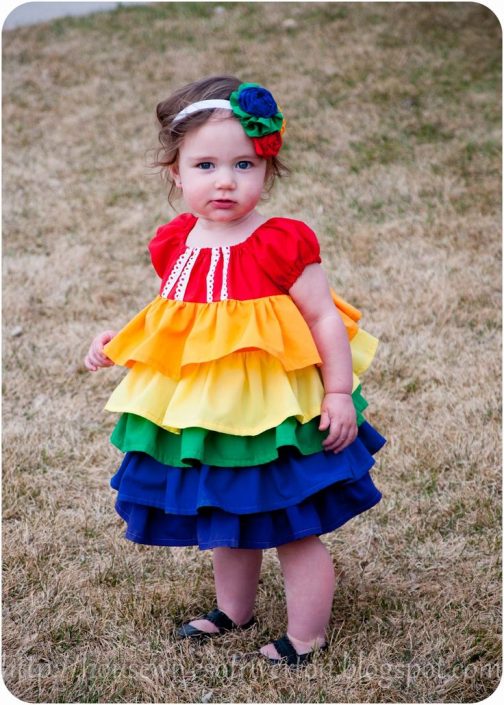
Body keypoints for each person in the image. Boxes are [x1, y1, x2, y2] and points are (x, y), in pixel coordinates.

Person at [84, 75, 386, 668]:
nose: (225, 180)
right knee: (224, 515)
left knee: (292, 524)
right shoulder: (174, 242)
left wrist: (337, 392)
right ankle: (234, 610)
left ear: (268, 169)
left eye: (244, 164)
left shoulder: (283, 242)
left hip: (276, 416)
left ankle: (306, 635)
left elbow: (324, 318)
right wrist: (117, 343)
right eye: (205, 165)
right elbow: (172, 318)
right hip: (208, 415)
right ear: (176, 171)